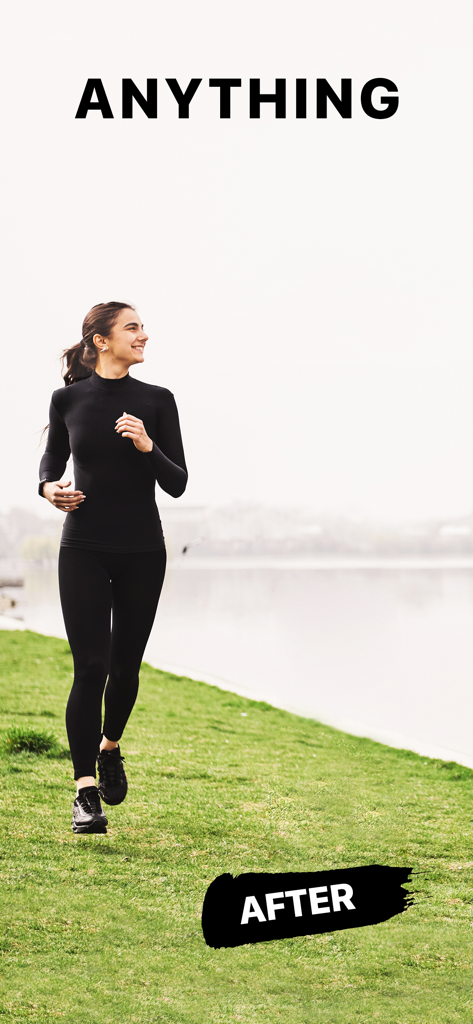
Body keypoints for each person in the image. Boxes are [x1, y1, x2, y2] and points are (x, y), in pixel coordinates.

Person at [39, 302, 187, 834]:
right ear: (102, 341)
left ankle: (110, 747)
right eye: (133, 328)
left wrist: (147, 444)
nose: (144, 335)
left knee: (125, 669)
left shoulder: (157, 400)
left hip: (143, 551)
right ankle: (84, 793)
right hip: (83, 546)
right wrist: (48, 488)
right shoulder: (68, 400)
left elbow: (177, 482)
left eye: (142, 327)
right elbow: (51, 464)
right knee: (90, 668)